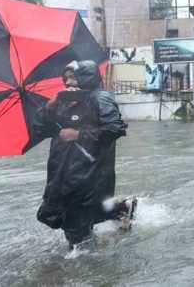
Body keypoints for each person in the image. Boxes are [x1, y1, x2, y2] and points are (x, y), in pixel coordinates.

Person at [32, 60, 133, 249]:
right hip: (61, 174)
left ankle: (90, 271)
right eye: (66, 78)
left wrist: (79, 134)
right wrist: (50, 106)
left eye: (74, 77)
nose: (68, 82)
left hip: (88, 177)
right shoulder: (62, 103)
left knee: (77, 238)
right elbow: (39, 131)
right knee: (49, 215)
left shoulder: (100, 99)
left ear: (88, 78)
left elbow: (116, 128)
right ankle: (121, 209)